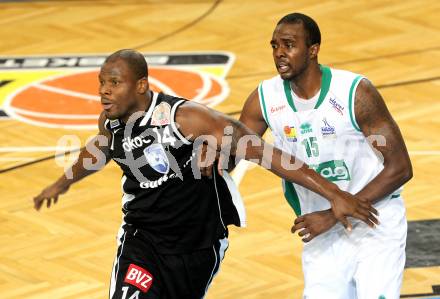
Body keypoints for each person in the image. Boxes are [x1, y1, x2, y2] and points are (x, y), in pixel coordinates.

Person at [33, 49, 378, 299]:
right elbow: (101, 147)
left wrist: (334, 194)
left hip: (199, 245)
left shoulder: (186, 118)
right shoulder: (110, 119)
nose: (103, 91)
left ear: (140, 86)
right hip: (143, 239)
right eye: (101, 82)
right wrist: (64, 181)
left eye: (113, 82)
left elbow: (266, 153)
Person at [235, 12, 412, 299]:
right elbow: (235, 150)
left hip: (375, 219)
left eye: (289, 45)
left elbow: (401, 168)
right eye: (274, 45)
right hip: (320, 229)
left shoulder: (354, 92)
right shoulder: (265, 98)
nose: (279, 53)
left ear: (313, 49)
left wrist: (333, 213)